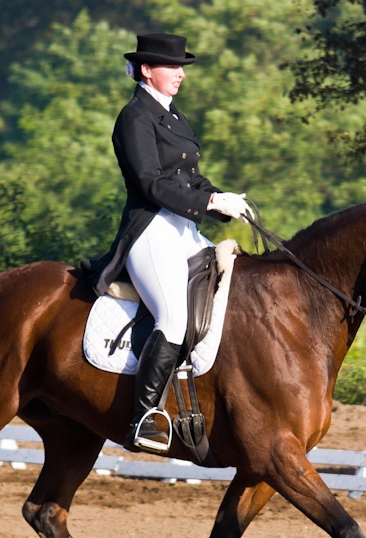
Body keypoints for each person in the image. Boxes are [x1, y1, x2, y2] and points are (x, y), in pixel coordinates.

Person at [82, 33, 251, 454]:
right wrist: (208, 200)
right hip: (151, 230)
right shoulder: (134, 117)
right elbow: (150, 183)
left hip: (185, 229)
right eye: (172, 67)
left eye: (181, 68)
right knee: (174, 318)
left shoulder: (174, 116)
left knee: (233, 291)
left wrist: (223, 201)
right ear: (146, 70)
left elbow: (191, 178)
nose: (179, 75)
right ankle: (143, 418)